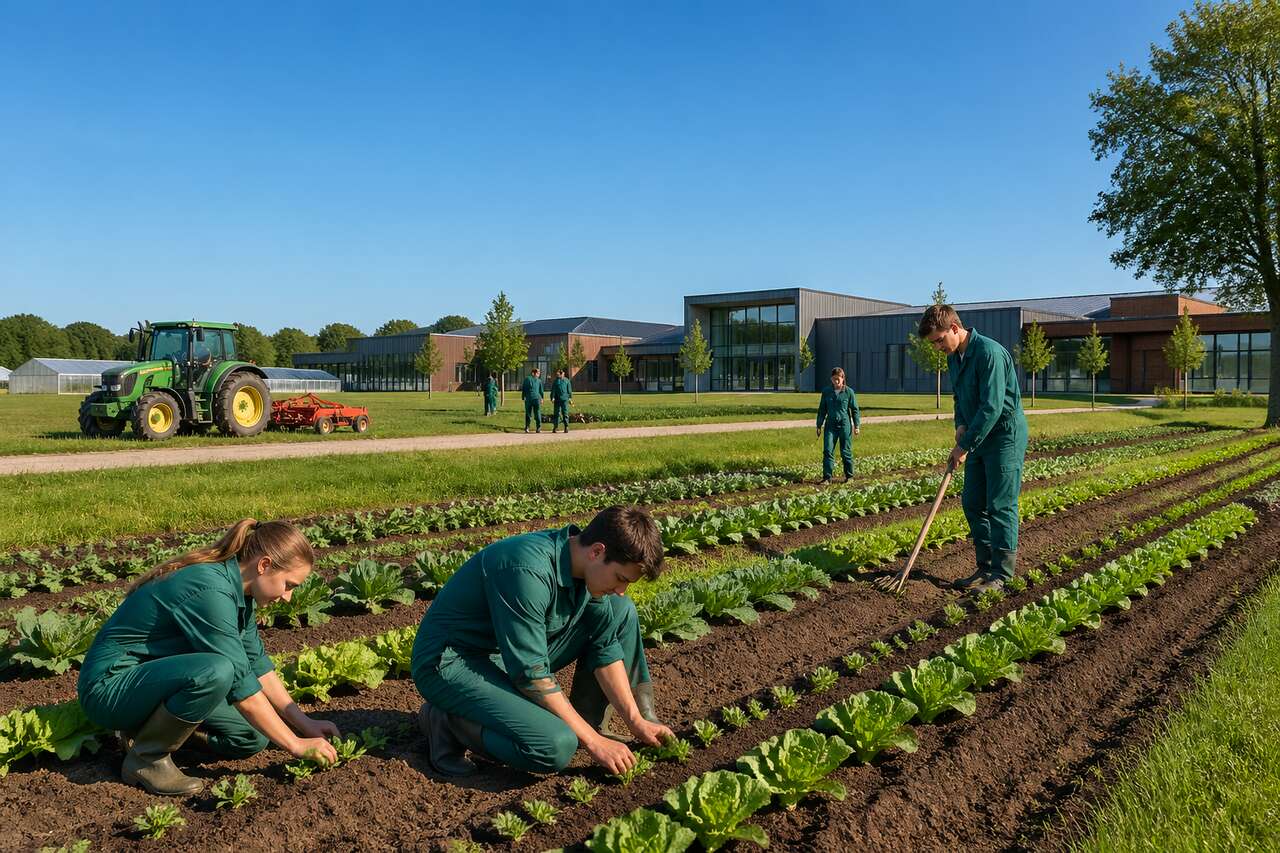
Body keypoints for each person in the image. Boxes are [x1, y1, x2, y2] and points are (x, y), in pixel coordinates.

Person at [77, 520, 340, 795]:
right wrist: (295, 745)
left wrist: (305, 724)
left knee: (251, 737)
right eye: (288, 584)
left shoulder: (240, 592)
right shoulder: (209, 590)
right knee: (216, 670)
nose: (288, 597)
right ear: (264, 565)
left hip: (153, 683)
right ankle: (146, 758)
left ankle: (146, 732)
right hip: (111, 690)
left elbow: (256, 663)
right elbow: (242, 688)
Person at [410, 506, 672, 778]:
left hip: (507, 653)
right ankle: (449, 723)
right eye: (620, 578)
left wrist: (636, 721)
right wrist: (592, 742)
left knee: (620, 611)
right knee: (554, 746)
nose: (621, 590)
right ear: (597, 551)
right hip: (452, 662)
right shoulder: (527, 570)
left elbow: (605, 646)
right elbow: (530, 673)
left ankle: (588, 724)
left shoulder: (583, 568)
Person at [919, 304, 1028, 592]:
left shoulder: (989, 353)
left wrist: (965, 445)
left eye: (939, 340)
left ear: (954, 328)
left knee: (1000, 504)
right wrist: (960, 425)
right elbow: (959, 397)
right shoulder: (955, 357)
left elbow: (992, 407)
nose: (937, 348)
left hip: (1003, 436)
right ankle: (986, 566)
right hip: (978, 434)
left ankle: (1002, 575)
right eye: (933, 344)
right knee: (972, 502)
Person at [815, 366, 861, 484]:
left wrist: (856, 425)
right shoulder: (826, 392)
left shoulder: (849, 392)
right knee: (828, 450)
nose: (836, 381)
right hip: (830, 425)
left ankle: (849, 476)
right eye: (834, 379)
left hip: (844, 425)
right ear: (831, 379)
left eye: (838, 379)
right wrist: (819, 425)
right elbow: (822, 410)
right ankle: (827, 477)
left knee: (845, 451)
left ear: (843, 378)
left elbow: (855, 410)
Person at [521, 367, 545, 433]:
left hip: (532, 399)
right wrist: (542, 398)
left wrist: (523, 397)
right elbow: (541, 391)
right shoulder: (530, 379)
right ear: (533, 373)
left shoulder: (537, 380)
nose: (538, 374)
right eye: (537, 373)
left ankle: (530, 427)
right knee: (535, 413)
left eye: (539, 373)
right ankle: (535, 427)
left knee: (530, 413)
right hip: (533, 399)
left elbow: (524, 388)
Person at [550, 368, 573, 433]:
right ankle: (555, 427)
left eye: (560, 374)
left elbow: (569, 390)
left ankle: (566, 427)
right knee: (556, 413)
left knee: (565, 413)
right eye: (558, 374)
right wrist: (552, 397)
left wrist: (570, 398)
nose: (558, 375)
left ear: (562, 374)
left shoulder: (567, 381)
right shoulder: (556, 381)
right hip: (557, 400)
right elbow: (553, 390)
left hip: (564, 399)